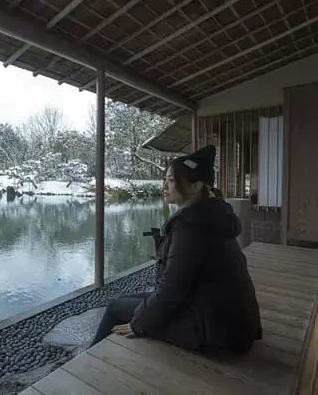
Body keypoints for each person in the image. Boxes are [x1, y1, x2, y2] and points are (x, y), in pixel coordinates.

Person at [90, 145, 262, 355]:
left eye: (171, 180)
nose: (164, 186)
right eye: (165, 180)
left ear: (196, 186)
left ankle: (86, 364)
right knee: (127, 301)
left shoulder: (192, 227)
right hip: (229, 321)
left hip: (217, 332)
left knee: (116, 309)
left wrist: (139, 325)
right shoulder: (212, 215)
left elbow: (172, 288)